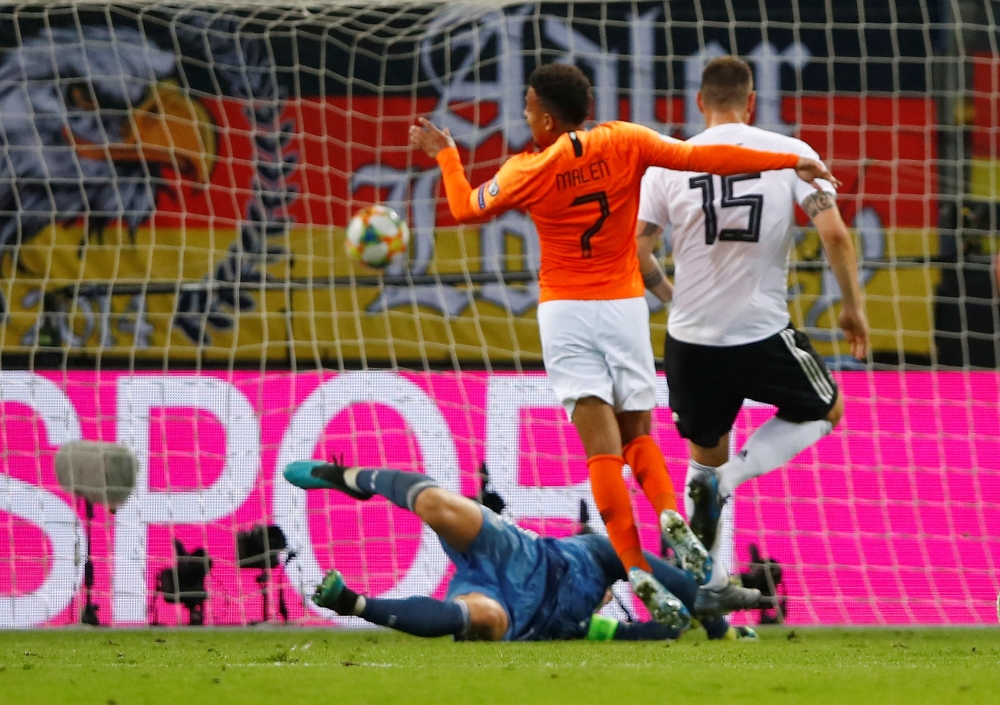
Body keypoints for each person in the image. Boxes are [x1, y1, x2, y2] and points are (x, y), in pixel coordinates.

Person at [409, 62, 839, 606]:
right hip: (622, 306)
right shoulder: (626, 141)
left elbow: (464, 206)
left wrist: (446, 154)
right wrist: (791, 159)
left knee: (601, 453)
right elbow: (703, 157)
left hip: (566, 310)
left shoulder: (526, 170)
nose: (523, 115)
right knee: (639, 434)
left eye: (527, 108)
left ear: (544, 116)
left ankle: (636, 569)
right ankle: (667, 511)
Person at [634, 56, 869, 590]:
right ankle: (733, 480)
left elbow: (638, 251)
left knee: (703, 458)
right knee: (827, 407)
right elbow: (834, 235)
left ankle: (710, 590)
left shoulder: (669, 161)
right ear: (752, 101)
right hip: (760, 332)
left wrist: (674, 298)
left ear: (699, 102)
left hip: (690, 340)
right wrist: (853, 306)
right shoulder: (791, 154)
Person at [283, 458, 762, 642]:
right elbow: (648, 567)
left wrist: (674, 629)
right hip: (516, 552)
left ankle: (356, 604)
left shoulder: (592, 628)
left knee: (482, 619)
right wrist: (717, 629)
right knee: (435, 502)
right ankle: (346, 478)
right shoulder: (597, 558)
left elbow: (653, 635)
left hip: (506, 606)